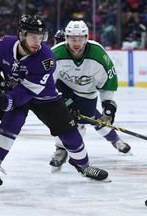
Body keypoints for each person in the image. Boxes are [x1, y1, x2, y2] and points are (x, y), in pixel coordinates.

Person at [0, 14, 110, 192]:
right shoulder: (2, 44)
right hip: (15, 92)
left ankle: (83, 166)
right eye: (33, 37)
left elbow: (27, 92)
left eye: (41, 37)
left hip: (43, 97)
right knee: (11, 124)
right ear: (21, 35)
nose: (38, 42)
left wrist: (3, 102)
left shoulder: (46, 58)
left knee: (69, 131)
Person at [49, 20, 131, 172]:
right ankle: (61, 148)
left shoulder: (98, 54)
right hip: (64, 87)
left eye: (80, 38)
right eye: (73, 39)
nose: (76, 43)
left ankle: (112, 140)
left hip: (87, 92)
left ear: (86, 37)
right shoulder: (55, 53)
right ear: (66, 38)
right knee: (61, 119)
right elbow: (47, 82)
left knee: (82, 120)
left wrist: (108, 105)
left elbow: (107, 82)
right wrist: (63, 99)